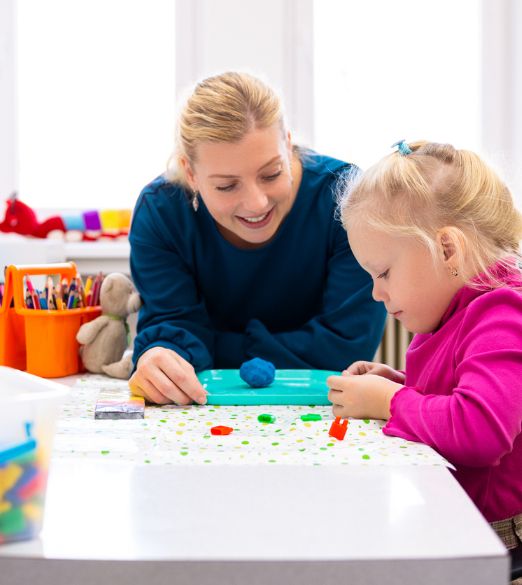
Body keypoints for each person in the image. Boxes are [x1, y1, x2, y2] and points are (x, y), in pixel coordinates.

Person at [128, 71, 386, 407]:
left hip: (325, 408)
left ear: (288, 144)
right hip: (205, 412)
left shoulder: (348, 199)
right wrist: (160, 358)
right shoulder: (161, 212)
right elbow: (172, 329)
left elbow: (346, 347)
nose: (257, 203)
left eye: (272, 173)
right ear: (190, 173)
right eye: (226, 186)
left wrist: (211, 348)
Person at [327, 140, 522, 567]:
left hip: (498, 542)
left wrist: (389, 402)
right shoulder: (456, 307)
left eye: (383, 273)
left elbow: (480, 430)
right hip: (461, 518)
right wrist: (398, 382)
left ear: (447, 250)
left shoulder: (502, 312)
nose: (377, 292)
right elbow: (457, 389)